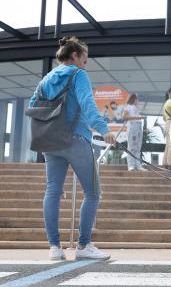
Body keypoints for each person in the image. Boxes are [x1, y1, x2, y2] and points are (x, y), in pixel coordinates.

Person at [28, 36, 115, 261]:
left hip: (49, 141)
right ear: (75, 56)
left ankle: (55, 248)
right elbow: (88, 104)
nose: (85, 65)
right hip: (75, 139)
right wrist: (104, 129)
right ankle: (84, 245)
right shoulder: (78, 74)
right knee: (93, 192)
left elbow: (32, 107)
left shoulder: (46, 79)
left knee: (53, 190)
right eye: (85, 60)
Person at [123, 93, 146, 171]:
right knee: (132, 146)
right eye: (137, 99)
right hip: (132, 126)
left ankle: (138, 165)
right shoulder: (128, 107)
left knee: (138, 147)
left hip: (139, 126)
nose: (138, 101)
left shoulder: (136, 108)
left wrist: (139, 117)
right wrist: (138, 117)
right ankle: (131, 165)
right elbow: (124, 117)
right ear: (134, 99)